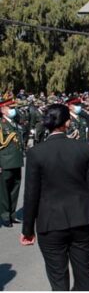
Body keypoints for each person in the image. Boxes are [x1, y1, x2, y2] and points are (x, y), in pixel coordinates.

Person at [21, 104, 89, 291]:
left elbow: (31, 194)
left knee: (58, 277)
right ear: (67, 122)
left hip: (50, 223)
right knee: (84, 273)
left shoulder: (36, 153)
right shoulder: (83, 148)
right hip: (81, 219)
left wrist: (28, 229)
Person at [0, 97, 24, 228]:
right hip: (5, 162)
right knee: (4, 191)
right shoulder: (1, 124)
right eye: (10, 108)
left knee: (15, 189)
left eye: (14, 108)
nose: (13, 110)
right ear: (3, 110)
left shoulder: (14, 123)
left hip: (16, 160)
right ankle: (4, 215)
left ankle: (12, 214)